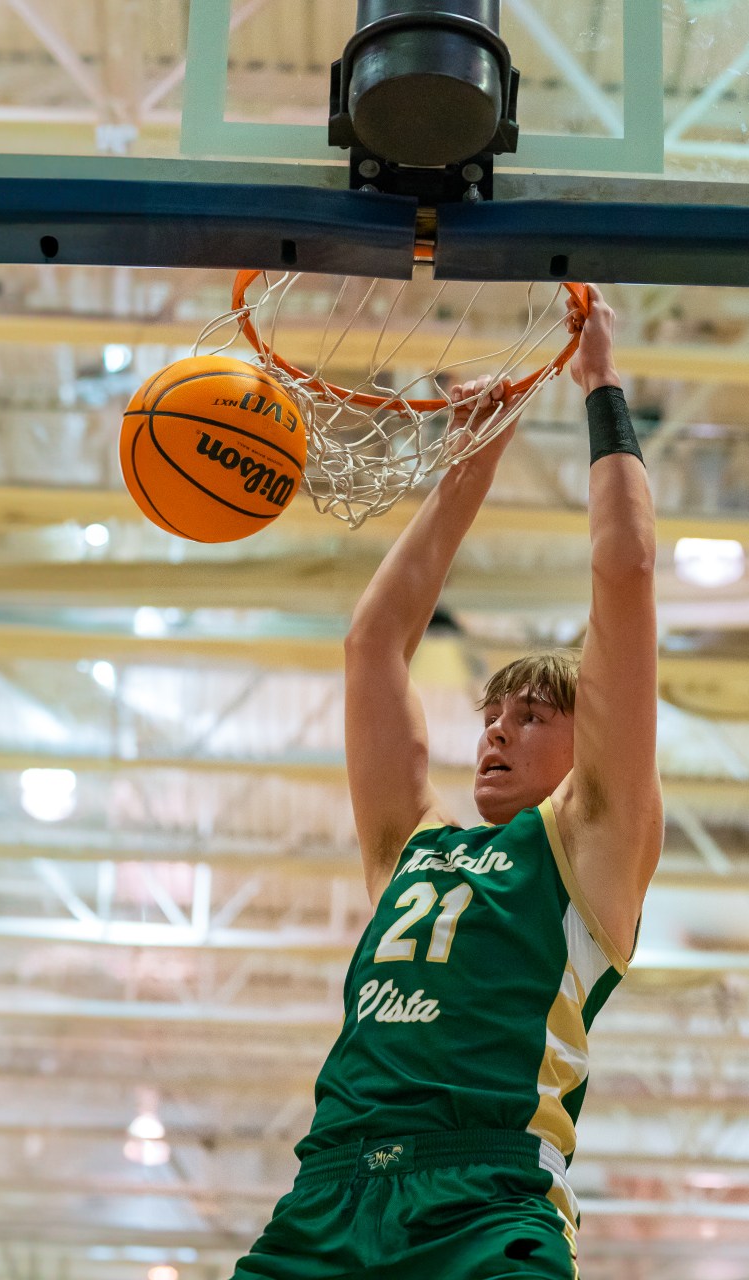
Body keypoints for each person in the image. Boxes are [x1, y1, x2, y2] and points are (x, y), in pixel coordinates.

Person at [232, 285, 663, 1280]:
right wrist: (473, 460)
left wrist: (601, 381)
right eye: (493, 716)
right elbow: (372, 644)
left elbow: (628, 569)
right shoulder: (410, 847)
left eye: (533, 716)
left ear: (584, 745)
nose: (498, 732)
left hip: (484, 1202)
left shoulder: (590, 845)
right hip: (326, 1199)